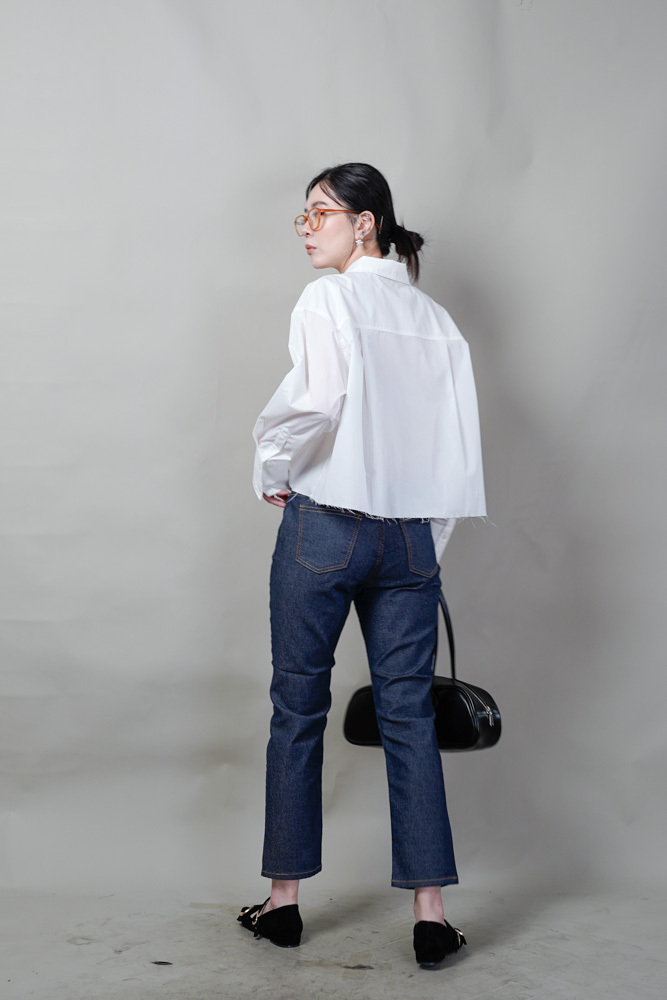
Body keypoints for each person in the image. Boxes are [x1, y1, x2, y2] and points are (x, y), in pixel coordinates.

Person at [238, 163, 486, 967]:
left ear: (366, 223)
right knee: (408, 716)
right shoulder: (435, 320)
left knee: (297, 708)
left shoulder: (329, 299)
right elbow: (455, 451)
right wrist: (424, 546)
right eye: (303, 216)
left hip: (326, 528)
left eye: (322, 213)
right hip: (409, 536)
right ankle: (430, 916)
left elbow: (314, 402)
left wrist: (272, 467)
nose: (307, 228)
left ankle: (283, 903)